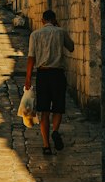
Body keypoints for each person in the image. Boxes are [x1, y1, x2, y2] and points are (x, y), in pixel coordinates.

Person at [25, 10, 74, 155]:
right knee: (58, 108)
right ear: (54, 20)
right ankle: (55, 131)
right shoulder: (60, 32)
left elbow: (31, 57)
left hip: (42, 75)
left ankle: (46, 145)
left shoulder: (35, 35)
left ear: (42, 21)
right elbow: (71, 47)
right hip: (58, 74)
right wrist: (59, 28)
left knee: (44, 111)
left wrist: (28, 78)